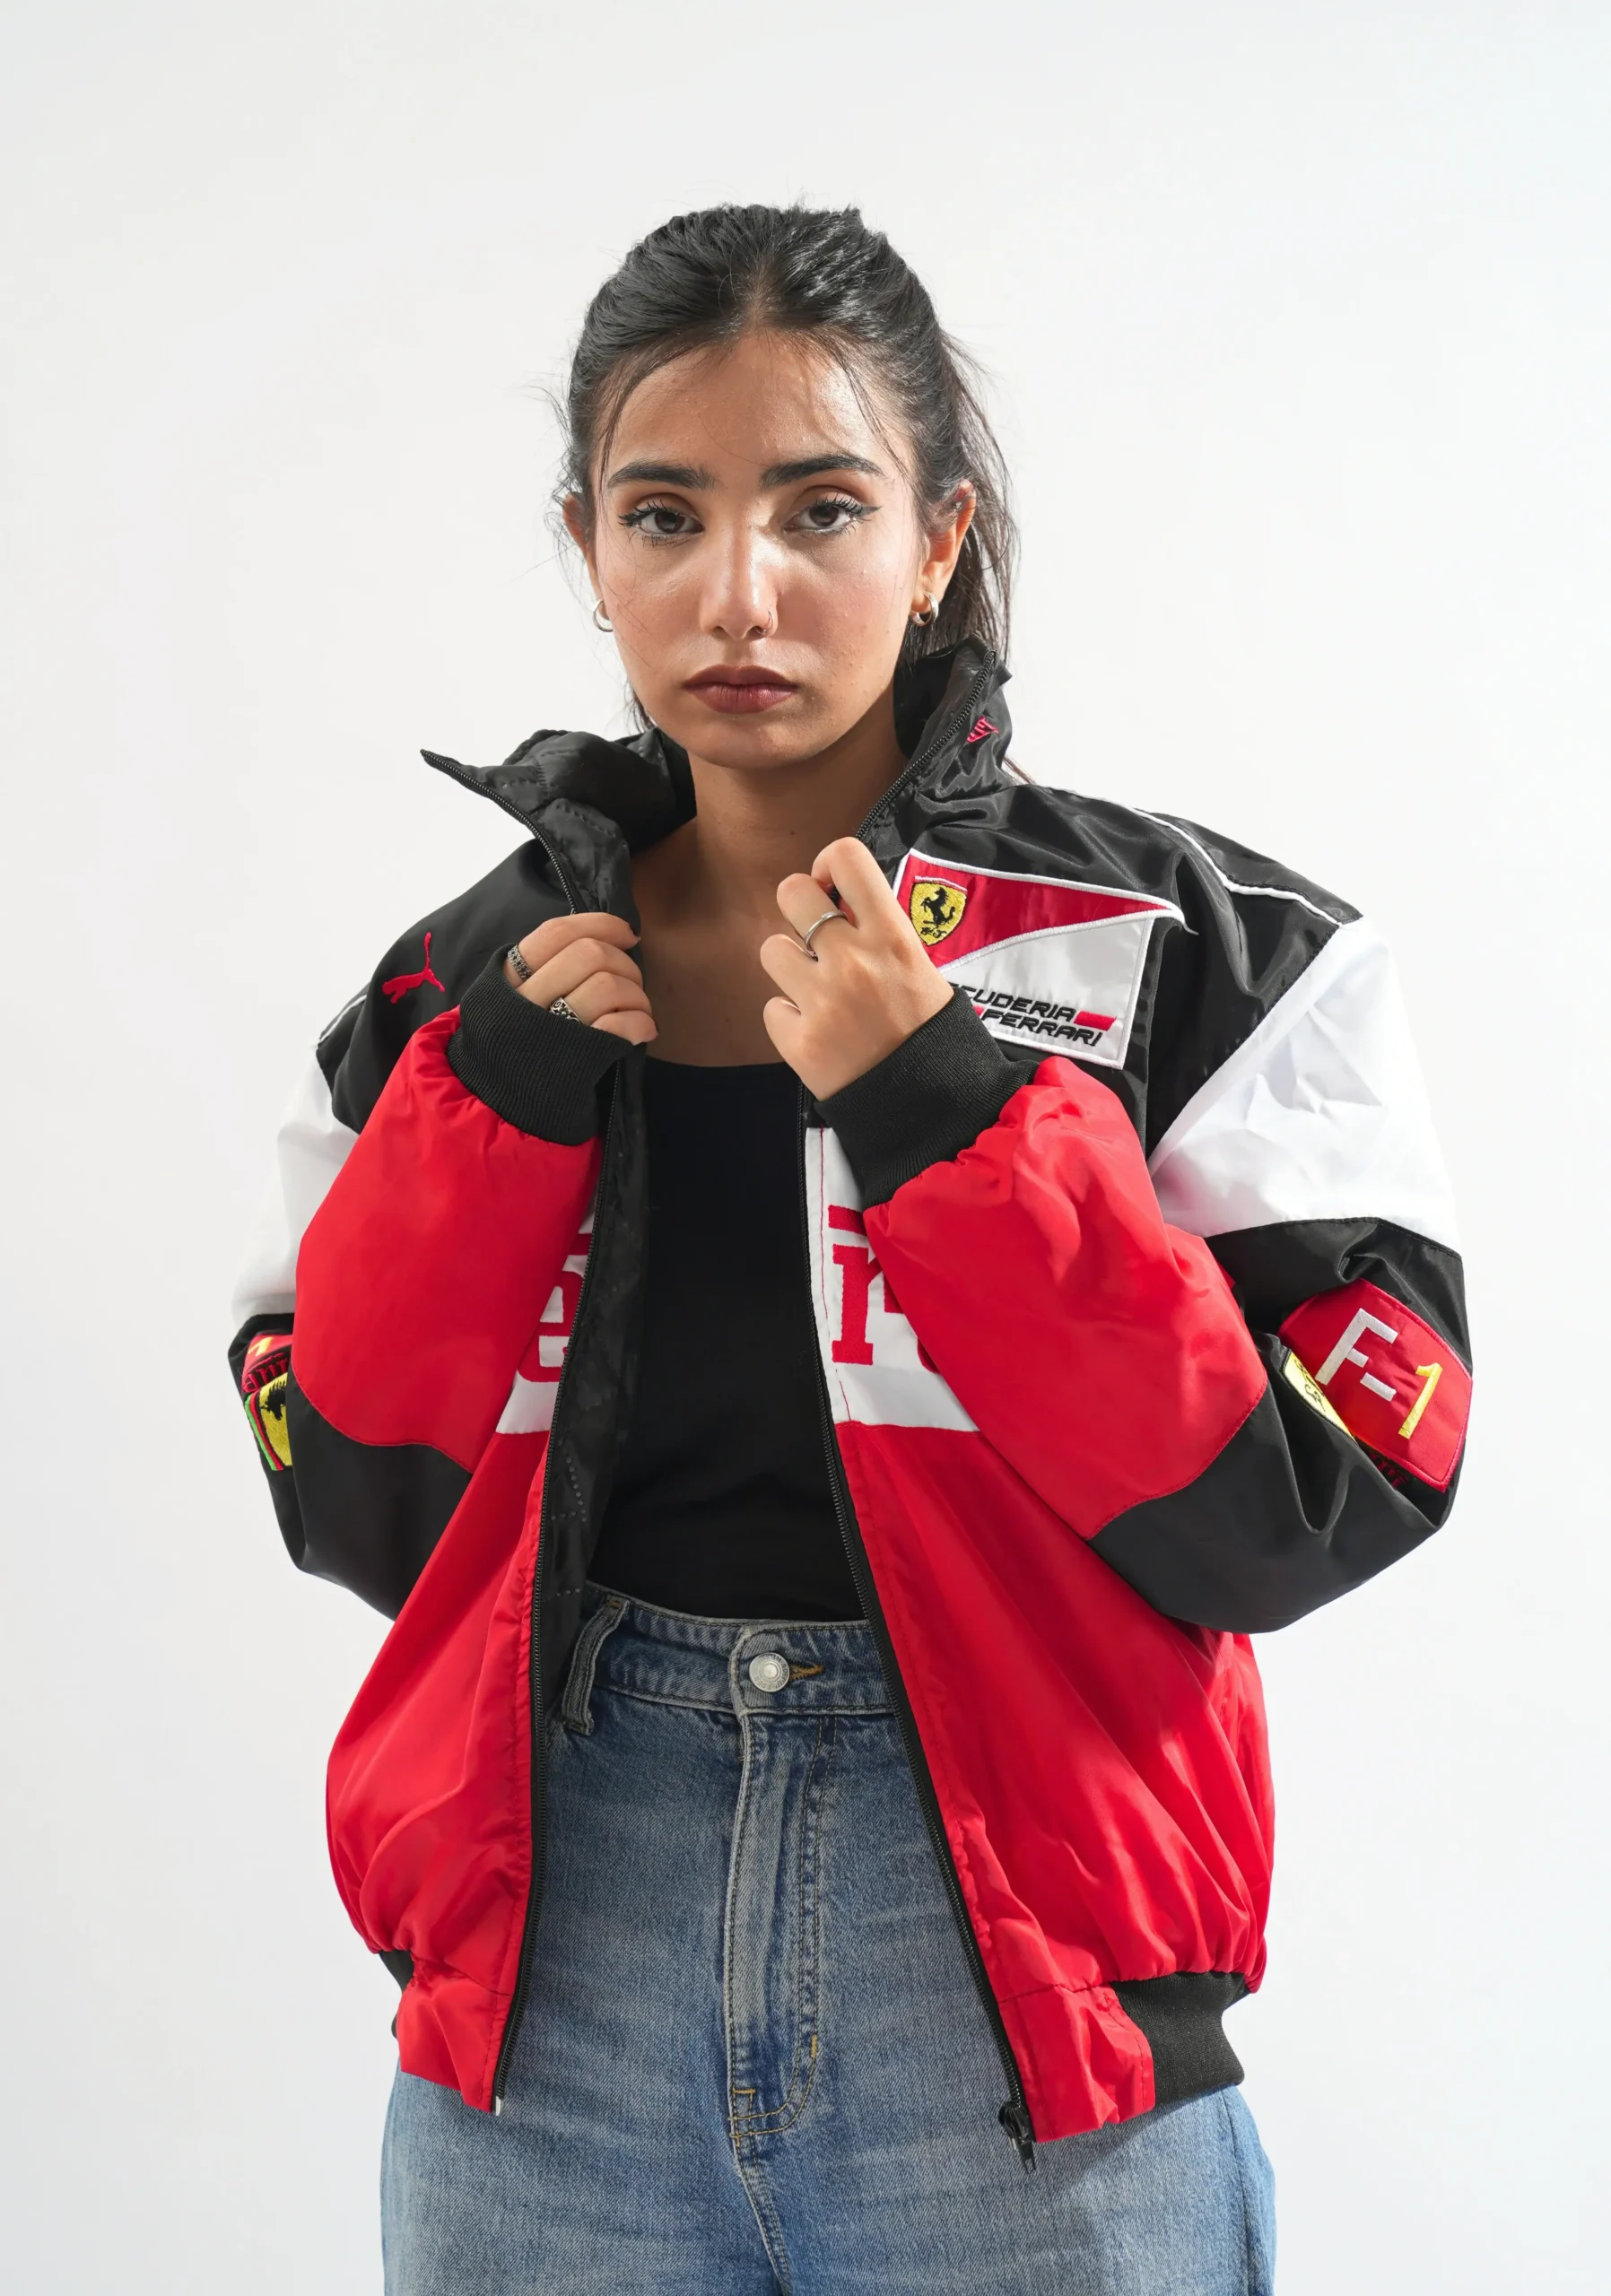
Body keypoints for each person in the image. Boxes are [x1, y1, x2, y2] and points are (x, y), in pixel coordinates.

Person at [229, 204, 1471, 2295]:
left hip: (1015, 1997)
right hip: (548, 1989)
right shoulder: (450, 1002)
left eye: (820, 509)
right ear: (587, 546)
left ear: (938, 537)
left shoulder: (1203, 960)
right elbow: (356, 1508)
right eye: (663, 514)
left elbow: (1297, 1513)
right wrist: (491, 1115)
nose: (739, 590)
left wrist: (945, 1116)